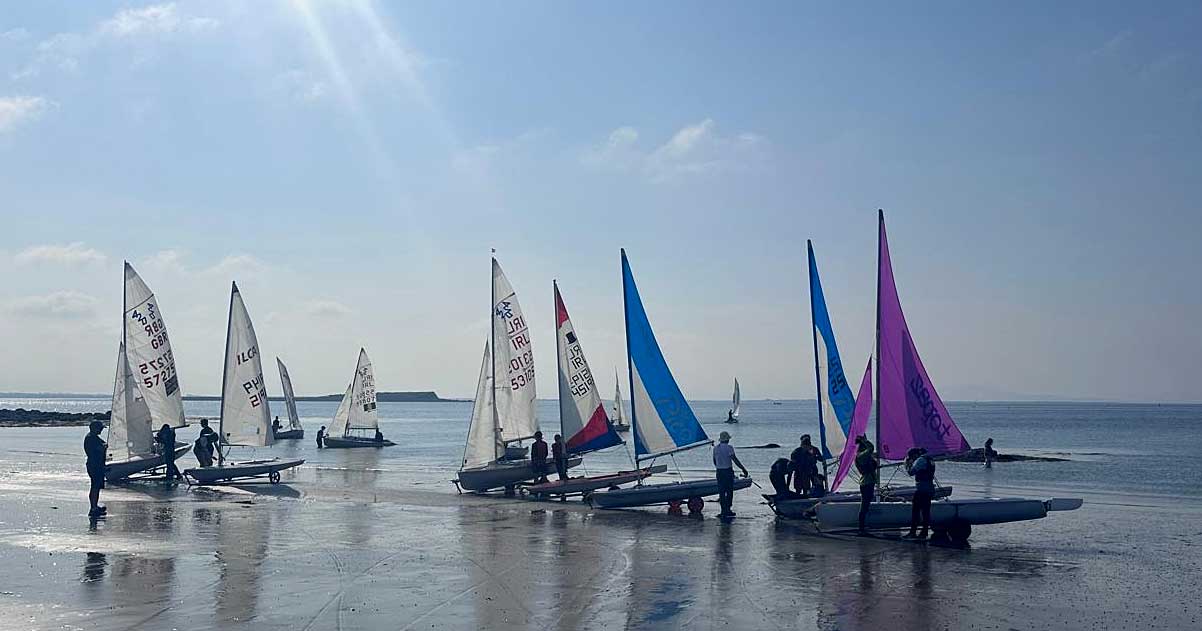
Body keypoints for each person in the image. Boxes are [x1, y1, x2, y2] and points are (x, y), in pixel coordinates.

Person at [713, 431, 749, 518]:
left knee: (721, 492)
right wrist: (743, 469)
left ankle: (723, 511)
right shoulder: (729, 448)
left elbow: (714, 461)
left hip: (719, 471)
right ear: (727, 440)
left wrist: (719, 467)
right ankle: (728, 510)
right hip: (728, 471)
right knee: (729, 491)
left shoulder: (715, 448)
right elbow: (735, 460)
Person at [905, 447, 936, 539]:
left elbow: (911, 472)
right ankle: (924, 533)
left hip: (922, 489)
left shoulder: (921, 460)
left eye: (912, 457)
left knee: (915, 511)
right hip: (929, 488)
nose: (913, 459)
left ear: (915, 455)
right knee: (926, 512)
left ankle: (913, 533)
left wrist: (907, 463)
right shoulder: (930, 459)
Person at [854, 436, 879, 535]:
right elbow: (871, 448)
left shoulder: (863, 455)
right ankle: (861, 528)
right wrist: (865, 440)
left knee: (866, 505)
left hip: (869, 482)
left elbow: (871, 452)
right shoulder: (861, 456)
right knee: (864, 506)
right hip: (866, 483)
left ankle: (862, 527)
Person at [84, 420, 107, 518]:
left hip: (96, 465)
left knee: (96, 487)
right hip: (94, 465)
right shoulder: (91, 438)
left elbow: (103, 445)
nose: (101, 430)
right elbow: (100, 448)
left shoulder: (94, 437)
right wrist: (104, 447)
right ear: (95, 428)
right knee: (95, 487)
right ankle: (93, 508)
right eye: (100, 428)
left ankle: (95, 507)